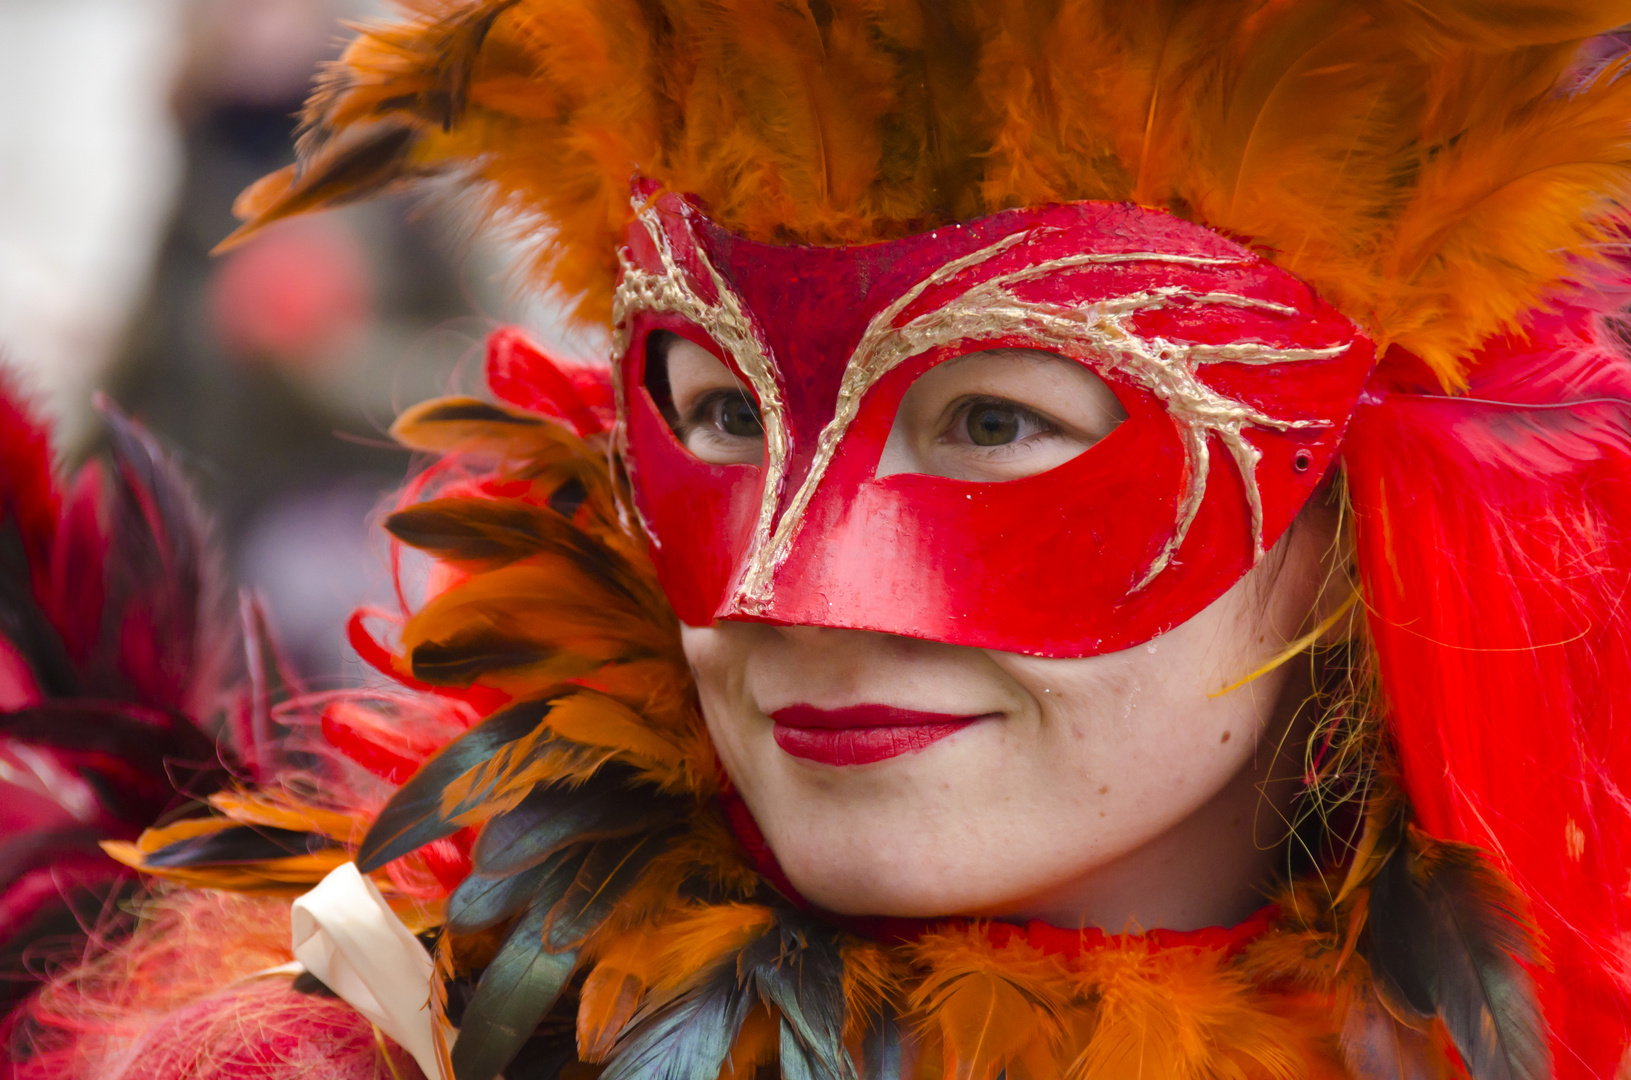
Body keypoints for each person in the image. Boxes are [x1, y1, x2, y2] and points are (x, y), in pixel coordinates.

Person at [5, 2, 1631, 1078]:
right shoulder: (387, 1027)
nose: (787, 593)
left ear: (1367, 470)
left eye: (997, 423)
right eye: (719, 414)